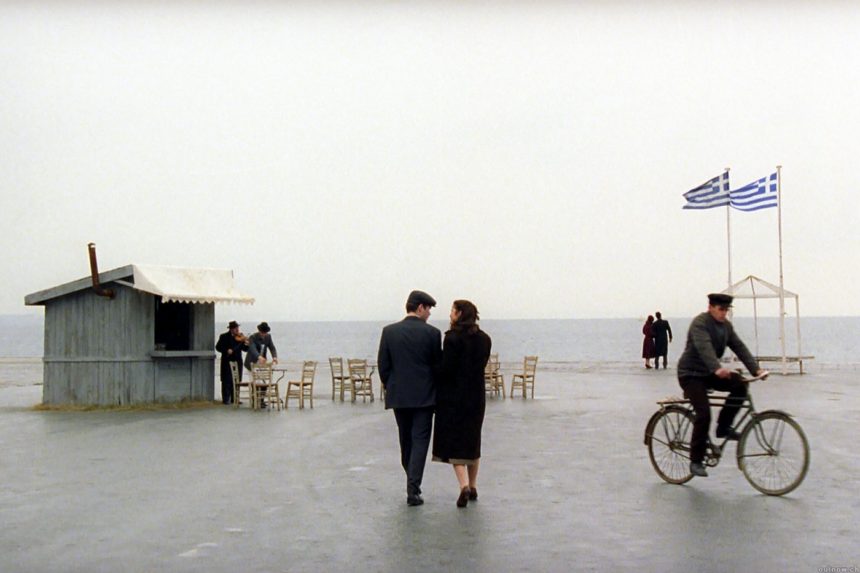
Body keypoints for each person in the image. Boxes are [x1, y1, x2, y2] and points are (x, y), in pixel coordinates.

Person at [677, 293, 765, 478]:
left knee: (740, 385)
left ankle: (723, 427)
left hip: (709, 373)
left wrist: (756, 370)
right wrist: (717, 368)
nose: (724, 313)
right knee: (704, 414)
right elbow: (704, 347)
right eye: (721, 309)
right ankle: (695, 461)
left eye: (726, 310)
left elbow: (739, 347)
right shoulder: (700, 323)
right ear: (710, 307)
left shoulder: (726, 327)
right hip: (691, 374)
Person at [377, 290, 443, 506]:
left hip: (399, 396)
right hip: (425, 397)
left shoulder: (389, 332)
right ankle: (413, 489)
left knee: (405, 441)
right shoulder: (433, 334)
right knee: (420, 442)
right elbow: (437, 367)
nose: (430, 314)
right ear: (420, 307)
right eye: (429, 309)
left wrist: (392, 385)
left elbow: (383, 365)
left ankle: (411, 482)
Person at [432, 300, 492, 508]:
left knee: (454, 443)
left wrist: (433, 369)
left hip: (454, 398)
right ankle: (473, 485)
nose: (450, 314)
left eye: (452, 311)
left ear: (459, 314)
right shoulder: (485, 339)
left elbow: (446, 369)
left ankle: (464, 485)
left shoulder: (452, 338)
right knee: (473, 441)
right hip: (476, 397)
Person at [215, 320, 247, 405]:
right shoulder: (223, 336)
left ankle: (235, 398)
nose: (237, 330)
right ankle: (226, 399)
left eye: (238, 328)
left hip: (238, 361)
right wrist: (226, 350)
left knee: (237, 380)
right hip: (227, 361)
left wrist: (246, 343)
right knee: (227, 380)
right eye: (236, 328)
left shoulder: (240, 337)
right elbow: (218, 347)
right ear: (231, 329)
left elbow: (245, 349)